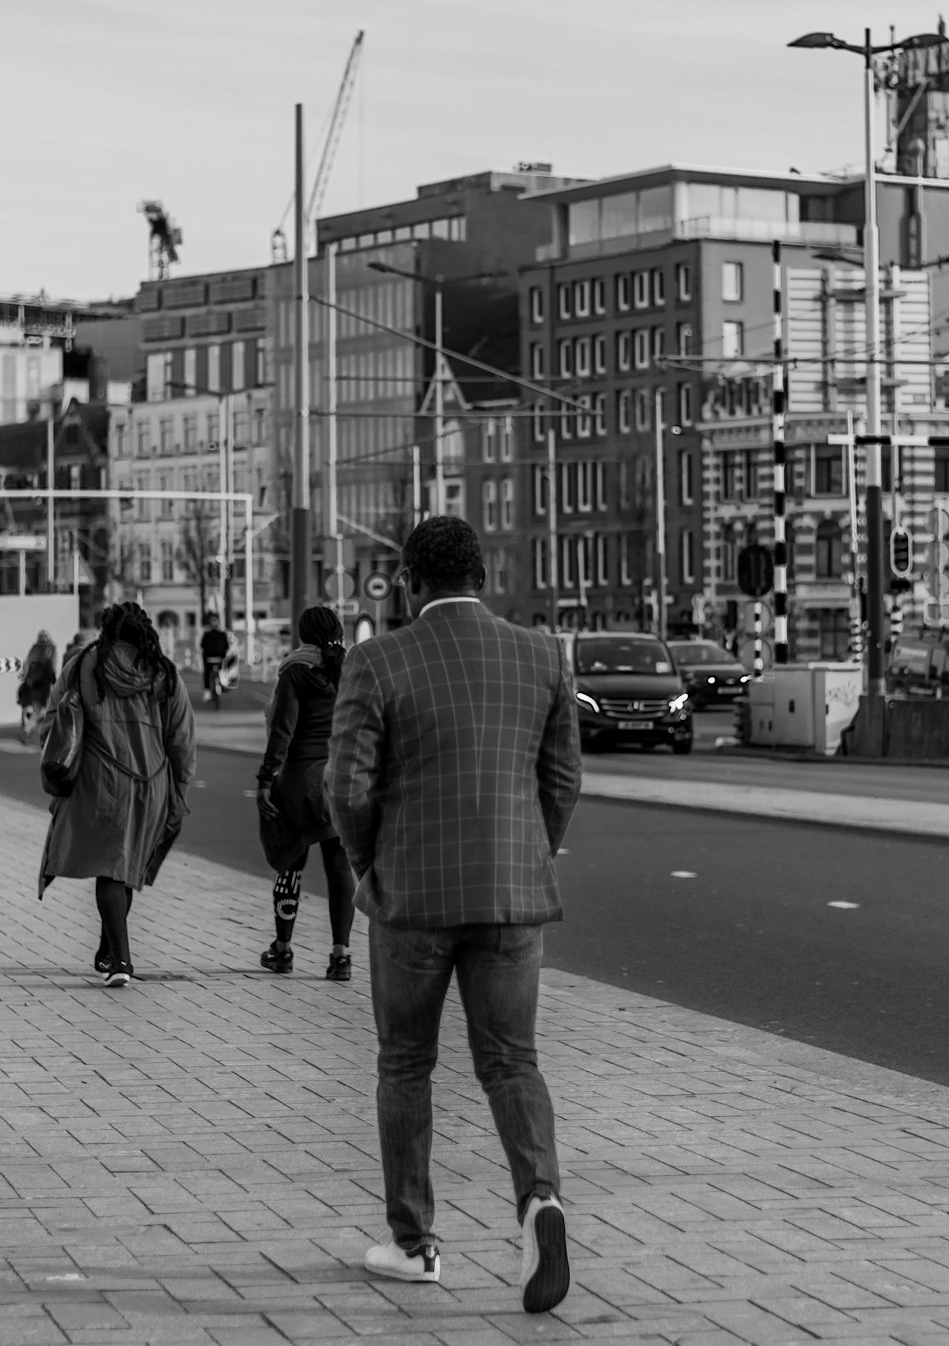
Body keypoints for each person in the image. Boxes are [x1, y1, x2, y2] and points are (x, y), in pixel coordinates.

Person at [325, 516, 582, 1312]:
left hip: (413, 900)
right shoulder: (541, 655)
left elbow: (346, 787)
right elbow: (564, 780)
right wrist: (527, 848)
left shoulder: (376, 660)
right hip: (511, 897)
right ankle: (540, 1200)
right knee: (512, 1060)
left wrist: (371, 864)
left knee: (406, 1063)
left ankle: (414, 1245)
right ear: (483, 574)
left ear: (409, 581)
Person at [38, 601, 197, 987]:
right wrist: (179, 790)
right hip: (150, 785)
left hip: (98, 782)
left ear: (107, 631)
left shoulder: (84, 665)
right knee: (121, 868)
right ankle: (114, 951)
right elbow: (182, 740)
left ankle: (118, 958)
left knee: (112, 866)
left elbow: (51, 722)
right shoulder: (165, 673)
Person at [256, 606, 355, 981]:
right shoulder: (351, 671)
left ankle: (282, 950)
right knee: (340, 866)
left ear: (303, 635)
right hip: (340, 779)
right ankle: (340, 956)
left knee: (291, 862)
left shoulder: (294, 673)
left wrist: (266, 779)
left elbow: (283, 730)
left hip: (299, 782)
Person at [18, 630, 57, 739]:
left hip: (40, 683)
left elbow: (28, 663)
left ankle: (28, 726)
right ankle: (28, 727)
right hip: (38, 683)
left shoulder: (49, 648)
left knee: (39, 708)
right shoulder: (42, 648)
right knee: (38, 708)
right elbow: (28, 662)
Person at [200, 615, 230, 703]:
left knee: (206, 673)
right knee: (223, 670)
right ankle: (223, 682)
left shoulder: (207, 634)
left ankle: (207, 691)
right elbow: (226, 646)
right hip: (220, 659)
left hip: (208, 659)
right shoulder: (222, 634)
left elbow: (202, 646)